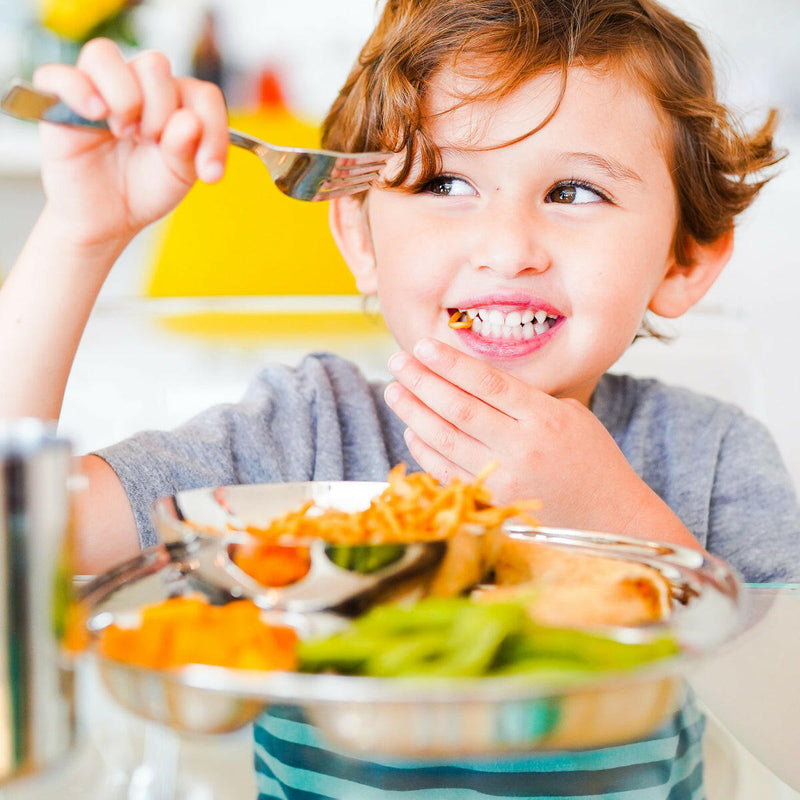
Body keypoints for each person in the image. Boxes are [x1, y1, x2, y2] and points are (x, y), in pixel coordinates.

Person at [0, 0, 798, 797]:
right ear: (358, 237)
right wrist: (80, 237)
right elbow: (20, 537)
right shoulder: (301, 435)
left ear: (685, 257)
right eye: (447, 181)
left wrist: (620, 523)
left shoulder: (714, 457)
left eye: (574, 192)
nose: (507, 249)